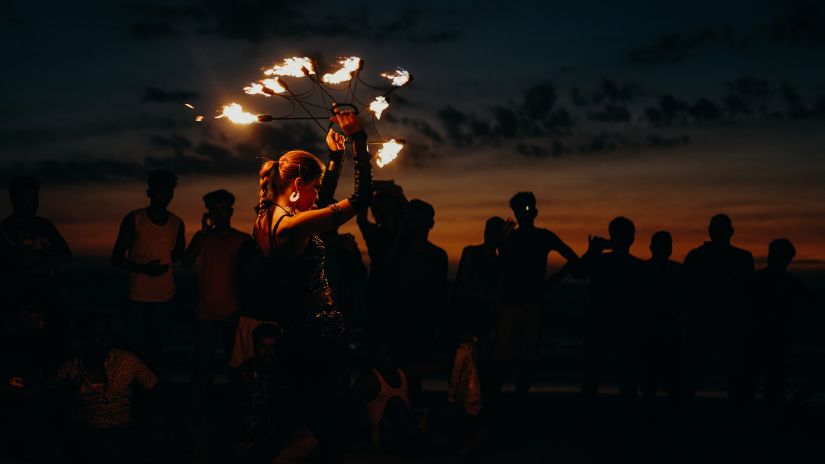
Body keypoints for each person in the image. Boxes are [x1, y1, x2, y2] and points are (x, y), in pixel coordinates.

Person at [237, 106, 373, 463]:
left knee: (302, 423)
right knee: (327, 429)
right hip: (317, 340)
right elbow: (360, 200)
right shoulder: (291, 227)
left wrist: (335, 158)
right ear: (298, 185)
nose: (316, 196)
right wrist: (359, 139)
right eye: (311, 188)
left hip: (298, 334)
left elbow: (323, 204)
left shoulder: (267, 218)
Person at [494, 192, 577, 404]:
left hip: (532, 302)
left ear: (535, 212)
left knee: (527, 359)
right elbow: (501, 268)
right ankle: (496, 404)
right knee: (503, 358)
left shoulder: (544, 236)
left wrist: (552, 281)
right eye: (519, 210)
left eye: (527, 209)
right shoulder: (509, 237)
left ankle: (518, 402)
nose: (523, 213)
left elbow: (572, 258)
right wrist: (501, 244)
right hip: (510, 302)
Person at [54, 314, 157, 462]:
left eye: (106, 334)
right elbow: (57, 405)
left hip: (124, 429)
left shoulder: (127, 360)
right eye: (96, 335)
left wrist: (143, 421)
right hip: (89, 434)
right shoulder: (69, 370)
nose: (103, 340)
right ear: (84, 338)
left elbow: (152, 387)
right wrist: (67, 397)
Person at [111, 169, 185, 370]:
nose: (163, 196)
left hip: (165, 298)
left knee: (157, 353)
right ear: (149, 193)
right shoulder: (134, 219)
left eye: (167, 192)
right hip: (137, 299)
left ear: (172, 194)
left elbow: (177, 255)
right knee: (134, 354)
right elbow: (116, 259)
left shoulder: (177, 223)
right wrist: (144, 269)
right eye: (159, 191)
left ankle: (152, 394)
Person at [0, 176, 72, 382]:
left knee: (51, 348)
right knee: (20, 351)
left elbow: (66, 254)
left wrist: (47, 264)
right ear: (14, 199)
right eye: (26, 200)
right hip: (17, 302)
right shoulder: (4, 230)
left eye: (35, 200)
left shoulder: (44, 226)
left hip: (47, 298)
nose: (31, 205)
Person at [572, 216, 644, 422]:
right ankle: (623, 420)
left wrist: (594, 251)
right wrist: (594, 251)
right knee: (613, 377)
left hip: (609, 326)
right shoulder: (633, 266)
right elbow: (578, 272)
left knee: (604, 377)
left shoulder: (613, 263)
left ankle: (588, 418)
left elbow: (577, 271)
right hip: (611, 326)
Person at [182, 189, 251, 390]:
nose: (219, 214)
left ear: (230, 211)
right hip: (205, 313)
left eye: (223, 209)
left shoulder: (243, 240)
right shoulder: (203, 239)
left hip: (233, 313)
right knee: (202, 365)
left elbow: (251, 275)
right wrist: (203, 231)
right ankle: (197, 411)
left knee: (236, 367)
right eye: (215, 210)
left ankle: (234, 410)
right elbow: (186, 262)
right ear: (209, 213)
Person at [681, 214, 753, 406]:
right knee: (695, 375)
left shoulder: (699, 256)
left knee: (728, 376)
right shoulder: (741, 258)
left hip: (718, 323)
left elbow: (684, 291)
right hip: (710, 323)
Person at [743, 239, 814, 420]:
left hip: (770, 338)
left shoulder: (761, 280)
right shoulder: (787, 283)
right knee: (763, 382)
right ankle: (763, 418)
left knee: (765, 382)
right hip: (763, 338)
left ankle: (757, 418)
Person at [639, 231, 683, 406]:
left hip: (669, 331)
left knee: (671, 382)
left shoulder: (677, 270)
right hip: (651, 330)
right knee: (651, 381)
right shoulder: (643, 270)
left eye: (667, 245)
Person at [350, 344, 420, 455]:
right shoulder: (369, 380)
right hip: (384, 438)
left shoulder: (403, 374)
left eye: (388, 354)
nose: (387, 358)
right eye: (381, 355)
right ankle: (418, 440)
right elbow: (349, 407)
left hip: (403, 436)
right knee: (395, 404)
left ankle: (417, 440)